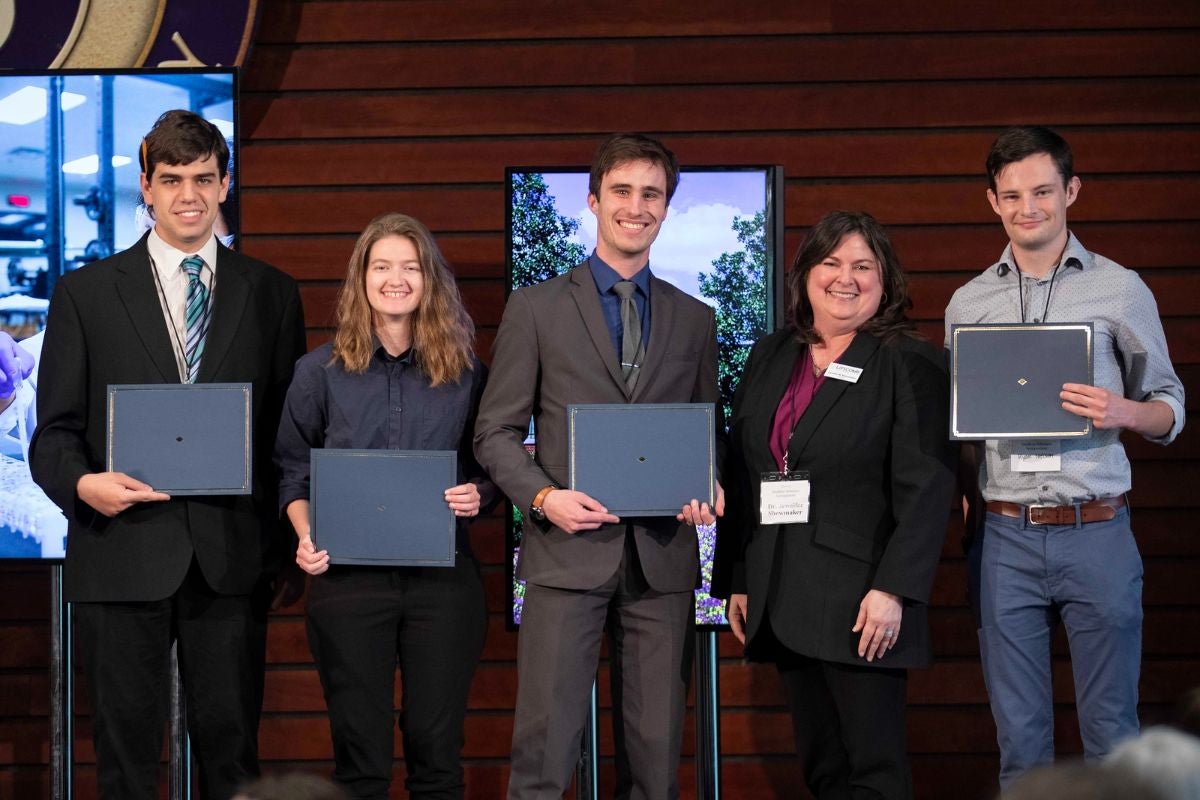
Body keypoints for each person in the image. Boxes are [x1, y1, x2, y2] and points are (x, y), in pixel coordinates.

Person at [28, 109, 307, 800]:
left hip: (232, 560)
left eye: (205, 178)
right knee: (124, 764)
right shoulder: (85, 294)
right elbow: (52, 435)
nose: (190, 194)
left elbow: (286, 436)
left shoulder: (271, 293)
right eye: (172, 178)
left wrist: (282, 544)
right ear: (145, 188)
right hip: (121, 551)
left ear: (226, 184)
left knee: (234, 761)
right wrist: (85, 483)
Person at [474, 133, 721, 800]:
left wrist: (707, 487)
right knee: (544, 759)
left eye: (652, 195)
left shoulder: (696, 320)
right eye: (622, 191)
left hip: (663, 562)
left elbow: (705, 436)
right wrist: (544, 498)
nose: (635, 207)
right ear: (593, 200)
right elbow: (494, 434)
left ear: (667, 208)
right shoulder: (536, 309)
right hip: (565, 556)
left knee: (655, 761)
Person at [944, 125, 1186, 785]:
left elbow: (1170, 406)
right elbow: (961, 430)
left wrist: (1124, 412)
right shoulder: (967, 303)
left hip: (1097, 530)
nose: (1029, 208)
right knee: (1020, 746)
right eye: (1012, 194)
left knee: (1113, 737)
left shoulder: (1121, 289)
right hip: (1003, 538)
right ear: (992, 201)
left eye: (1043, 191)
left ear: (1071, 191)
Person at [711, 210, 956, 799]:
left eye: (863, 266)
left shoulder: (909, 361)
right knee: (824, 772)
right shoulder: (772, 355)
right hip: (782, 593)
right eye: (831, 263)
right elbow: (746, 472)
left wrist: (893, 589)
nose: (845, 278)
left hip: (862, 601)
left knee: (873, 772)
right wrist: (741, 577)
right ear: (805, 276)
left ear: (886, 281)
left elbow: (927, 486)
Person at [275, 212, 496, 800]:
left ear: (430, 280)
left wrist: (480, 494)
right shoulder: (316, 373)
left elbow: (491, 466)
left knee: (437, 756)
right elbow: (292, 472)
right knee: (360, 758)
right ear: (361, 279)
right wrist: (303, 535)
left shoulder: (468, 373)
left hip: (444, 585)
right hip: (348, 584)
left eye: (410, 266)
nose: (395, 279)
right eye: (381, 267)